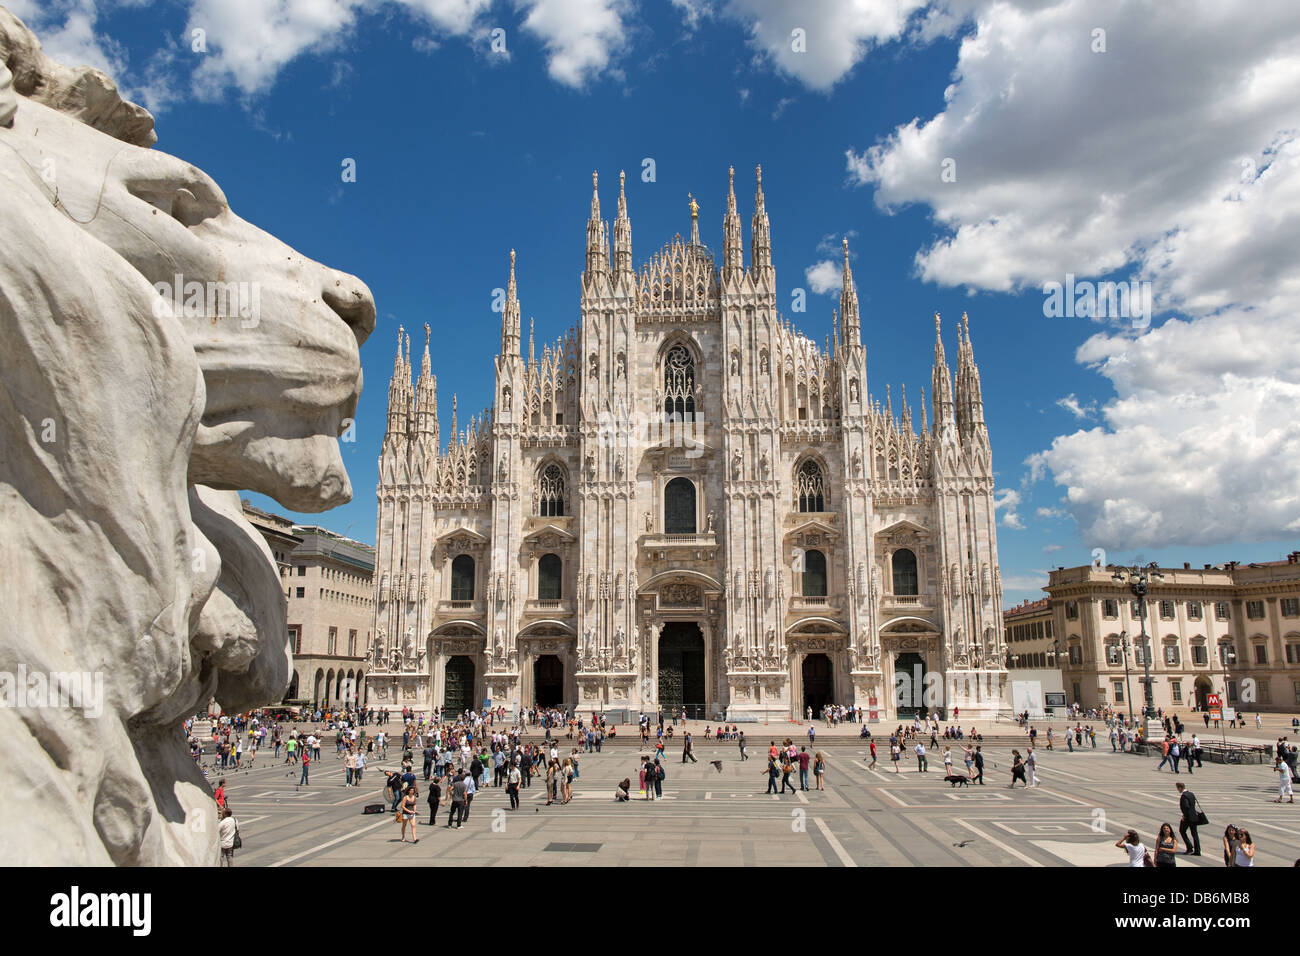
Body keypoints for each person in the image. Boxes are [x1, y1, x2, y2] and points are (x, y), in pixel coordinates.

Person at [1176, 782, 1202, 855]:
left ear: (1180, 788)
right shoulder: (1191, 794)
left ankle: (1189, 847)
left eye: (1177, 788)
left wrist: (1184, 815)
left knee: (1182, 830)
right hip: (1194, 816)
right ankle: (1197, 850)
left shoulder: (1184, 796)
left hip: (1188, 817)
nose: (1178, 790)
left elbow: (1186, 806)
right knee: (1194, 833)